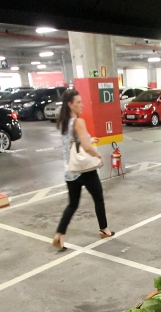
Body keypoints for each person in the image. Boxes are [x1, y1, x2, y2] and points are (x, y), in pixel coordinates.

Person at [52, 90, 114, 250]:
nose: (82, 105)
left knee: (72, 204)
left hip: (70, 170)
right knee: (98, 198)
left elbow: (75, 143)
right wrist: (99, 155)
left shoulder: (63, 123)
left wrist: (89, 139)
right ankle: (104, 229)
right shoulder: (78, 122)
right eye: (78, 102)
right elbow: (85, 146)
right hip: (84, 170)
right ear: (70, 104)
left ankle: (60, 235)